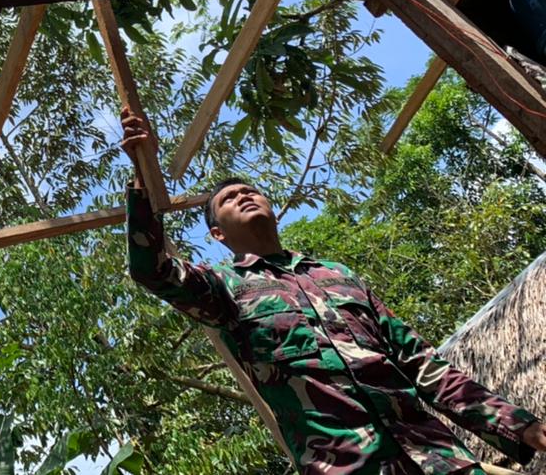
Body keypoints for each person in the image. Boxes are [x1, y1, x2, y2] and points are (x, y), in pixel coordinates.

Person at [120, 107, 545, 474]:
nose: (246, 195)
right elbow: (152, 271)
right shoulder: (224, 289)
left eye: (251, 190)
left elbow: (421, 364)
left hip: (438, 456)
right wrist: (143, 173)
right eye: (231, 198)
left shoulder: (337, 275)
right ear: (216, 234)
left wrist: (519, 425)